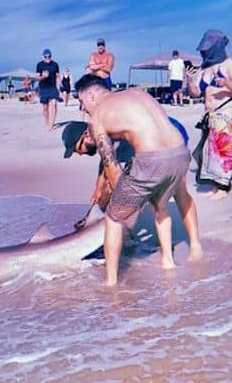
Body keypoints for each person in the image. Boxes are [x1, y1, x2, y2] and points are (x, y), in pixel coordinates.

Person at [74, 74, 195, 285]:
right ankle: (168, 262)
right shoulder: (139, 93)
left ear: (92, 94)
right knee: (160, 206)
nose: (82, 109)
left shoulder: (97, 117)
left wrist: (124, 205)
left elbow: (112, 169)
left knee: (113, 218)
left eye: (82, 102)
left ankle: (111, 283)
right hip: (181, 154)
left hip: (152, 160)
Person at [187, 29, 232, 200]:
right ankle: (217, 182)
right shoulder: (203, 69)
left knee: (222, 150)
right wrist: (189, 80)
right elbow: (195, 93)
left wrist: (226, 82)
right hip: (211, 115)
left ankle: (223, 187)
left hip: (226, 111)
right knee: (208, 151)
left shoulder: (228, 64)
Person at [36, 48, 61, 131]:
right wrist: (43, 76)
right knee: (45, 108)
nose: (47, 58)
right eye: (46, 56)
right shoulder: (39, 65)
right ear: (43, 57)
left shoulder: (55, 65)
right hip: (43, 88)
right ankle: (47, 121)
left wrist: (58, 87)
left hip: (52, 87)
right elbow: (37, 78)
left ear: (51, 56)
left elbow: (57, 76)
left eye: (49, 56)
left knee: (53, 104)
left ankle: (51, 124)